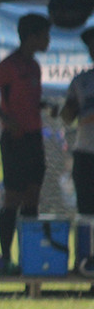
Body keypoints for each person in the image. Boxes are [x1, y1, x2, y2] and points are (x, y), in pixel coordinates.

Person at [0, 13, 52, 273]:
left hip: (34, 138)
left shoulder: (35, 67)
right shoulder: (10, 65)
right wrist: (6, 119)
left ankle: (28, 259)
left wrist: (43, 106)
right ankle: (5, 258)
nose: (48, 40)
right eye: (45, 35)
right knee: (12, 198)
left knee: (33, 198)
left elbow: (29, 100)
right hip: (15, 140)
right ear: (31, 36)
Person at [61, 26, 94, 216]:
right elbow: (68, 117)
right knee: (86, 211)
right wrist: (63, 110)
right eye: (91, 46)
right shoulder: (81, 81)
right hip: (85, 153)